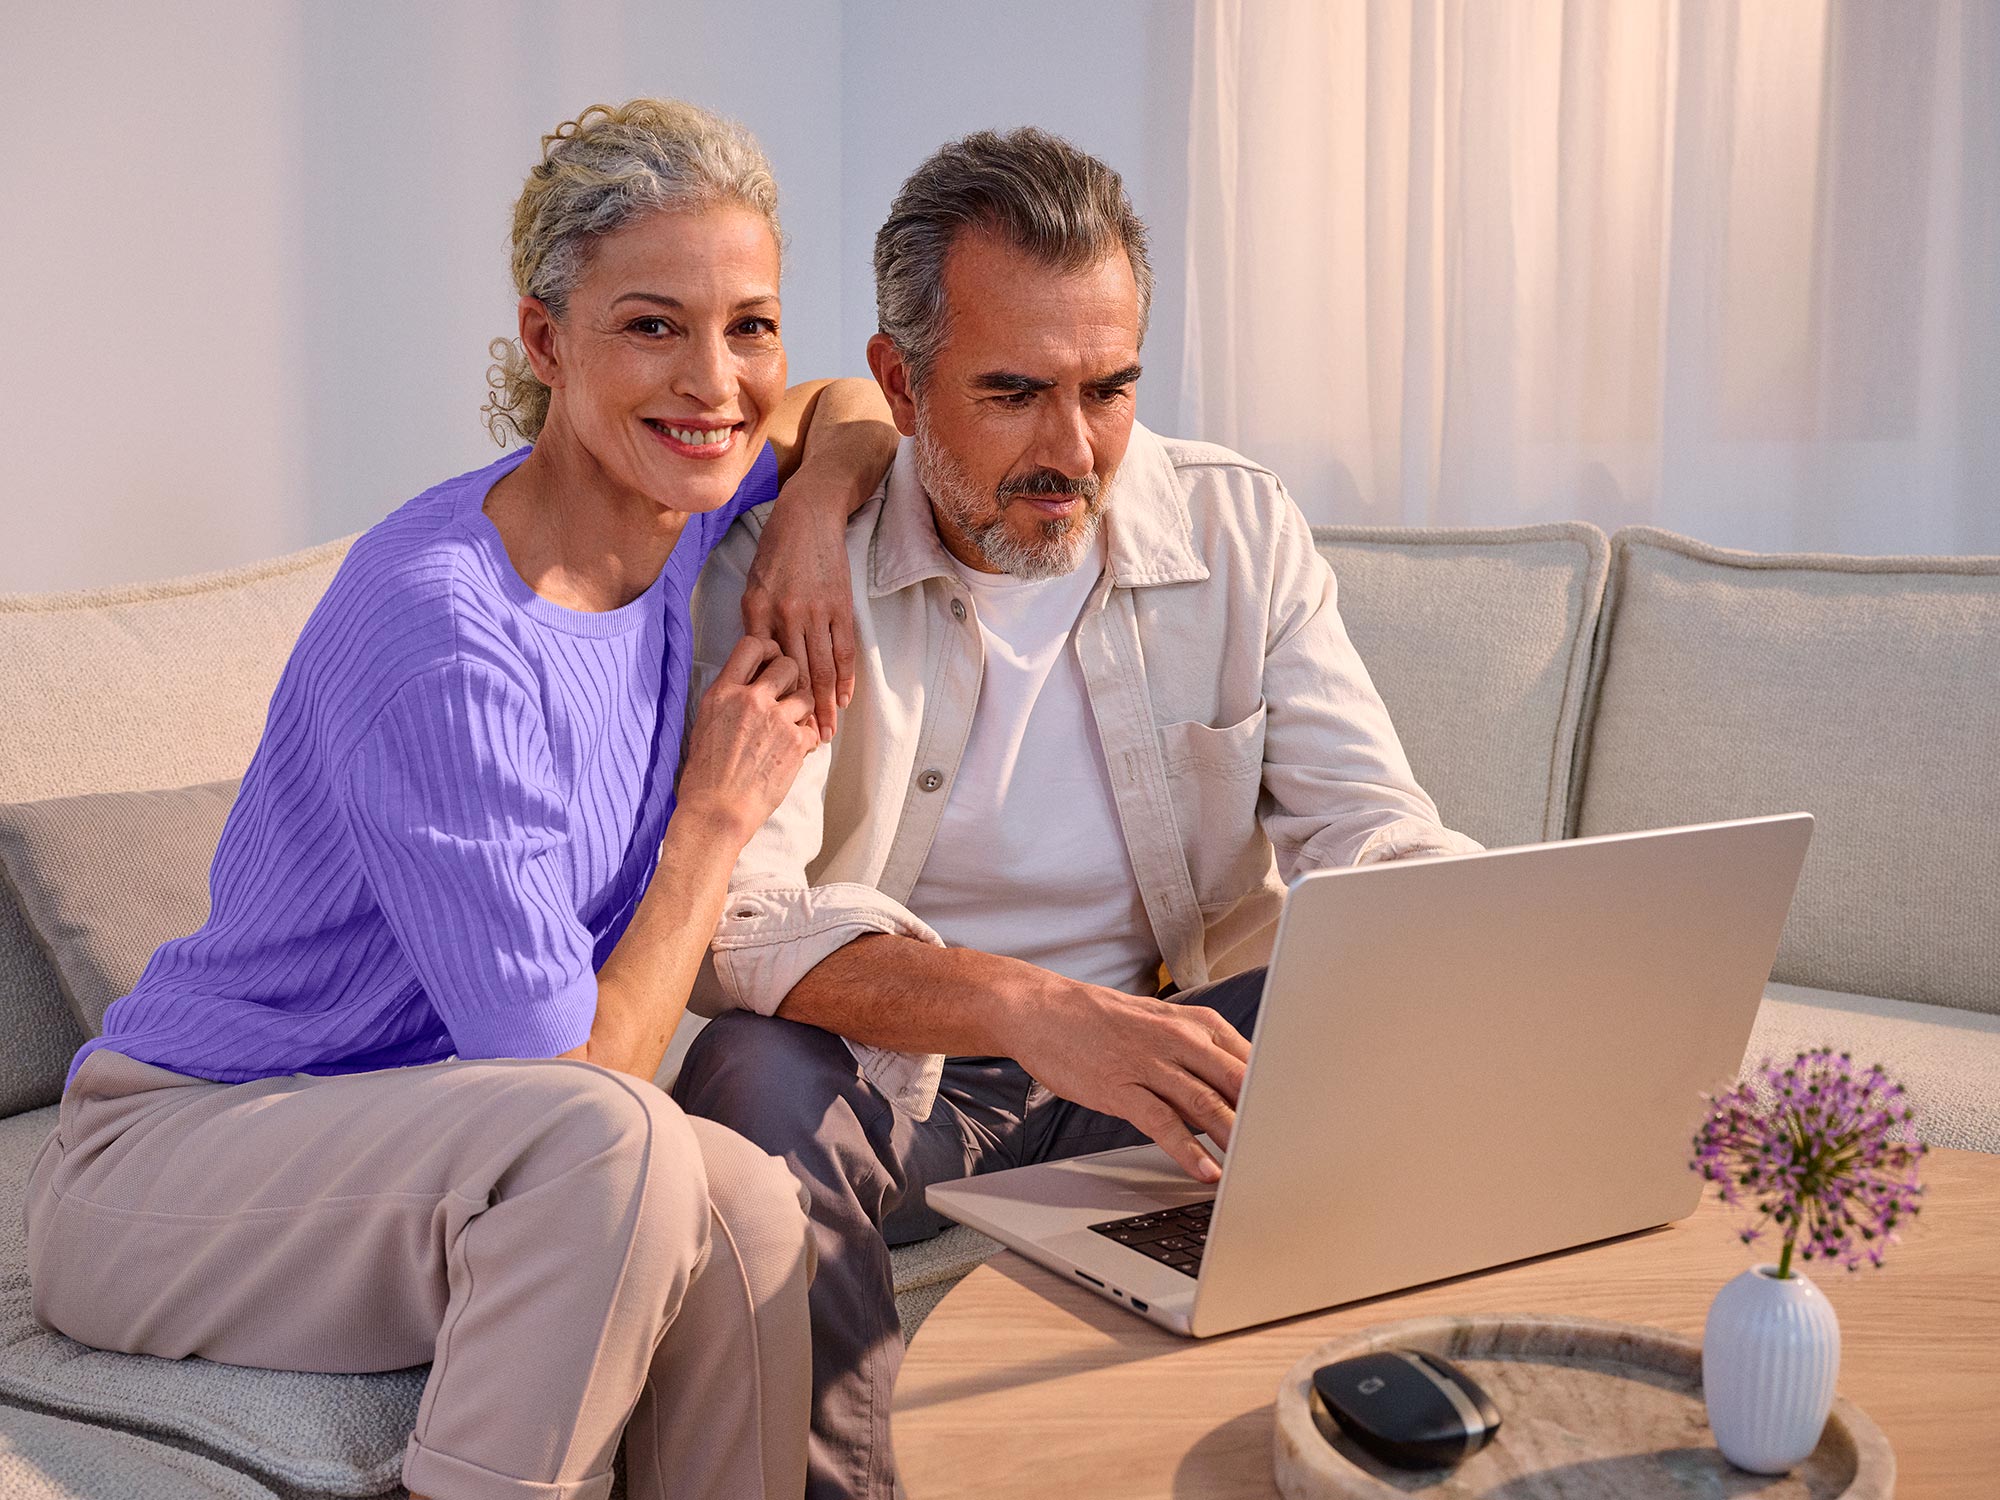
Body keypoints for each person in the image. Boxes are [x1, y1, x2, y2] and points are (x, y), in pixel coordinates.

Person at [25, 99, 894, 1500]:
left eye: (752, 324)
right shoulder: (448, 631)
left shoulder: (673, 513)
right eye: (654, 326)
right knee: (627, 1149)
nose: (718, 380)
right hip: (169, 1174)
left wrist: (803, 516)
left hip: (418, 1144)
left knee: (745, 1206)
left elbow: (843, 412)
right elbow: (575, 1091)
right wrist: (714, 823)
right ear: (546, 342)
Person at [673, 127, 1483, 1500]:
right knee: (746, 1086)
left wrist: (1471, 921)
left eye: (1109, 389)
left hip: (1165, 1057)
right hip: (898, 1080)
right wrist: (1023, 1008)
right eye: (1014, 393)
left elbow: (1373, 828)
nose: (1073, 449)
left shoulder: (1236, 529)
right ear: (899, 380)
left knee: (1427, 992)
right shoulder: (795, 576)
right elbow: (739, 926)